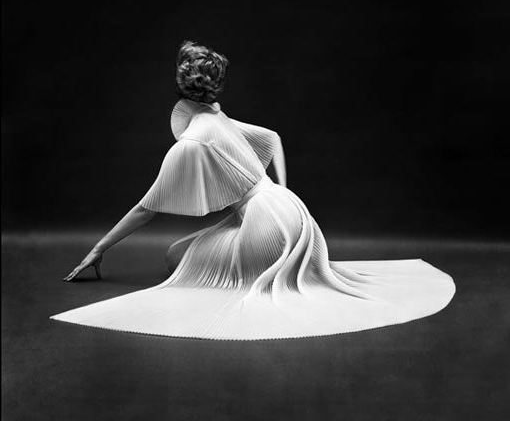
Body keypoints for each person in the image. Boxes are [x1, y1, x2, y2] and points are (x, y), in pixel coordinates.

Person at [51, 40, 455, 340]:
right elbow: (274, 138)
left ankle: (257, 257)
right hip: (293, 211)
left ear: (181, 85)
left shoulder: (192, 140)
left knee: (181, 262)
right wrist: (280, 193)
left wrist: (99, 248)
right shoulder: (219, 119)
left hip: (266, 221)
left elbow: (146, 208)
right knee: (182, 253)